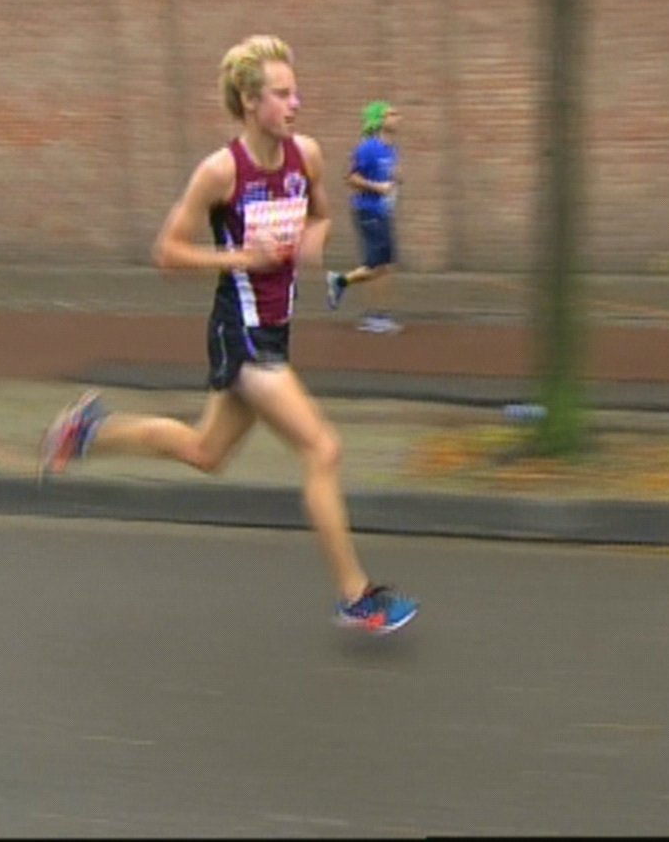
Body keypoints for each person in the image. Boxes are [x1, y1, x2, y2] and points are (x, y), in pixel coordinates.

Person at [37, 35, 417, 635]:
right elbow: (168, 253)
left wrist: (312, 241)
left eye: (295, 91)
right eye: (282, 94)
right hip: (240, 335)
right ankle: (356, 597)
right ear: (248, 101)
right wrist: (242, 257)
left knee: (206, 454)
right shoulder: (220, 172)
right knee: (323, 449)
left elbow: (320, 213)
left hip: (276, 331)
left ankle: (89, 431)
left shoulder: (306, 156)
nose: (296, 103)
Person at [325, 100, 402, 334]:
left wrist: (395, 182)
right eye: (391, 114)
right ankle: (373, 314)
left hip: (383, 212)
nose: (397, 117)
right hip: (368, 210)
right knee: (377, 265)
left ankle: (376, 311)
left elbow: (391, 177)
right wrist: (378, 187)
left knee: (386, 266)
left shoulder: (392, 149)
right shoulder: (368, 148)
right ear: (379, 120)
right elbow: (350, 178)